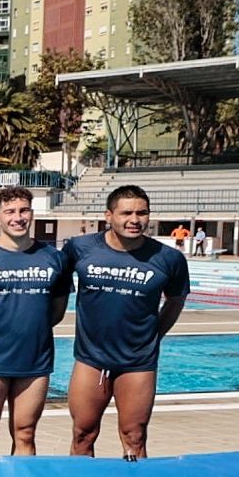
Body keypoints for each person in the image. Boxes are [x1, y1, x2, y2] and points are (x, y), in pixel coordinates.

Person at [64, 185, 189, 460]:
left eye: (142, 213)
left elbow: (175, 300)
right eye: (126, 213)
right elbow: (58, 287)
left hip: (138, 362)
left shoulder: (169, 258)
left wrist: (154, 335)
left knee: (135, 436)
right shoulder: (81, 248)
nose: (135, 220)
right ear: (109, 215)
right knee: (83, 433)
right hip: (91, 358)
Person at [0, 187, 71, 458]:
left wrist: (34, 331)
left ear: (32, 213)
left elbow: (57, 311)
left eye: (23, 210)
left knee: (25, 432)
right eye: (9, 212)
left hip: (35, 359)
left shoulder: (54, 258)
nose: (17, 217)